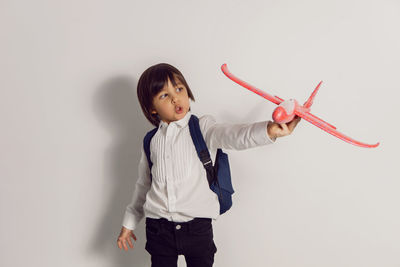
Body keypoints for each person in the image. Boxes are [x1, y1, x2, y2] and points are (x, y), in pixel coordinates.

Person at [116, 63, 301, 267]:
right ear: (152, 108)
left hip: (197, 228)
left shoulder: (202, 127)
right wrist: (129, 223)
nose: (175, 98)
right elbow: (144, 185)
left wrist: (268, 131)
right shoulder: (150, 140)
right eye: (164, 95)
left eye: (179, 89)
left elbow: (233, 135)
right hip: (158, 229)